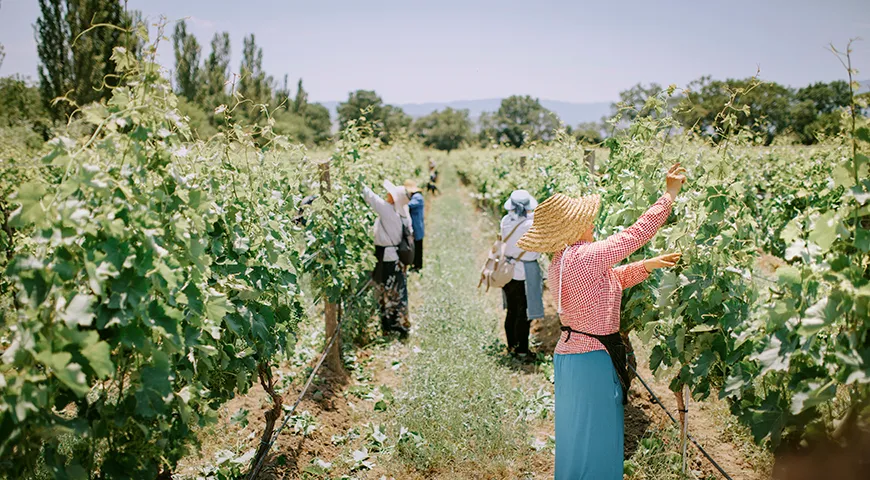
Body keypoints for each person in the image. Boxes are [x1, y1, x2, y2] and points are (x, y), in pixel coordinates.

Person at [516, 163, 687, 479]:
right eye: (587, 218)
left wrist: (646, 266)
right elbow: (636, 233)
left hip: (572, 360)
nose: (592, 221)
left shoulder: (562, 261)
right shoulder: (587, 255)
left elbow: (609, 281)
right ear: (577, 226)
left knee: (577, 438)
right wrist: (669, 194)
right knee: (599, 438)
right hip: (592, 359)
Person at [362, 180, 413, 338]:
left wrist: (356, 181)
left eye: (389, 194)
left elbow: (370, 197)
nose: (386, 195)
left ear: (393, 198)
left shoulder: (388, 211)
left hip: (387, 258)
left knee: (386, 290)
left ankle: (390, 326)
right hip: (395, 258)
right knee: (396, 290)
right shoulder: (402, 213)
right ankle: (399, 325)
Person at [500, 190, 543, 358]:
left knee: (511, 310)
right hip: (524, 273)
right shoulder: (530, 224)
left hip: (507, 271)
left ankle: (512, 346)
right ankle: (522, 350)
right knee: (523, 312)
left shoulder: (505, 221)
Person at [405, 180, 425, 272]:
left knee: (418, 247)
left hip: (417, 226)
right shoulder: (416, 196)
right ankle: (416, 265)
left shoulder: (417, 197)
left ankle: (418, 266)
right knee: (416, 246)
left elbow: (408, 205)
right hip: (417, 226)